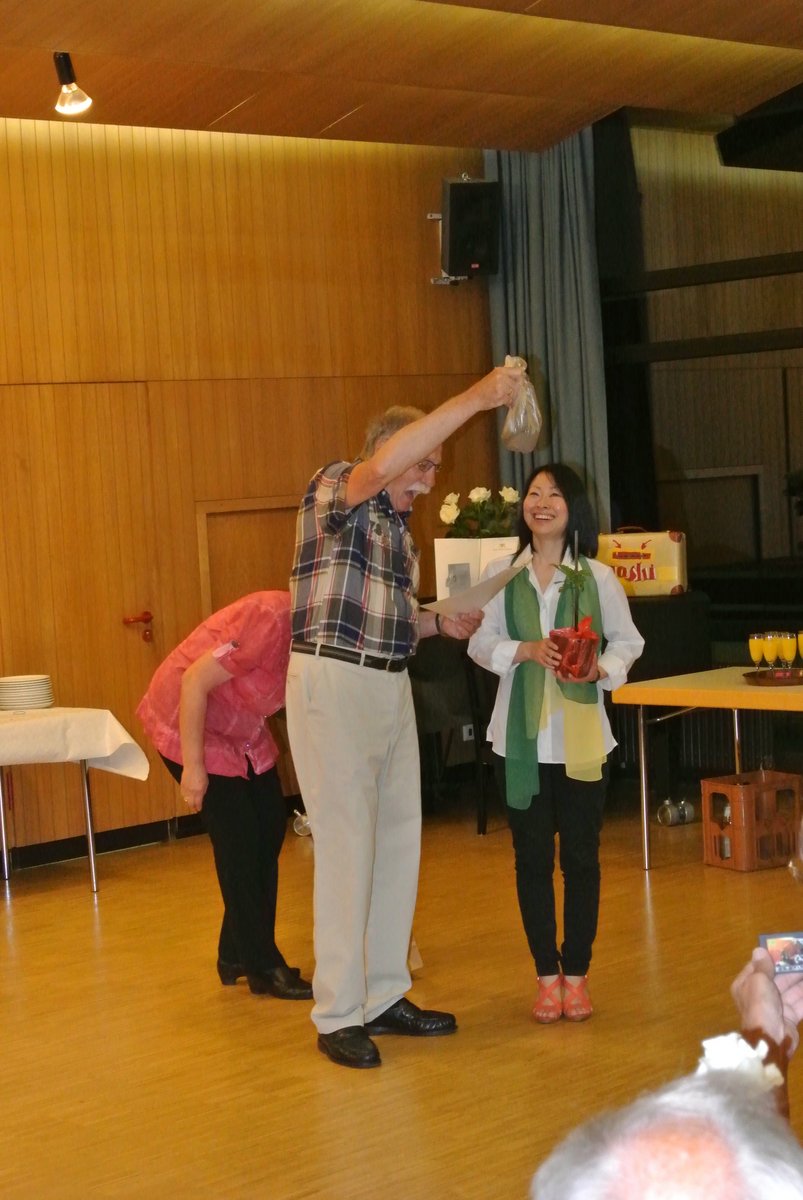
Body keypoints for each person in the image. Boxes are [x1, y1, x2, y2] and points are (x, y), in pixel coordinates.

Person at [284, 364, 521, 1069]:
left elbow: (391, 620)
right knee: (346, 845)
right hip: (333, 680)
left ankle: (384, 994)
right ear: (389, 451)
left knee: (395, 842)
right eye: (424, 464)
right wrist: (478, 398)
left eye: (435, 469)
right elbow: (384, 465)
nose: (429, 480)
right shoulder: (335, 486)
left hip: (387, 682)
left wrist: (438, 624)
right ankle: (337, 1013)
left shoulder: (399, 535)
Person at [468, 463, 643, 1023]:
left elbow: (628, 642)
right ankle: (547, 976)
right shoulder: (502, 574)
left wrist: (600, 670)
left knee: (582, 860)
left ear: (574, 509)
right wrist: (521, 651)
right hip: (517, 742)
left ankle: (578, 975)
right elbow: (478, 641)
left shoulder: (598, 578)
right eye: (534, 493)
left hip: (581, 742)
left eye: (554, 495)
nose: (540, 502)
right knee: (531, 861)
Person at [137, 591, 312, 1000]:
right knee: (240, 839)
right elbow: (193, 681)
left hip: (238, 723)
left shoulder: (322, 636)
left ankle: (235, 952)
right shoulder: (270, 622)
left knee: (269, 823)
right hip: (189, 719)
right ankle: (262, 965)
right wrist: (194, 768)